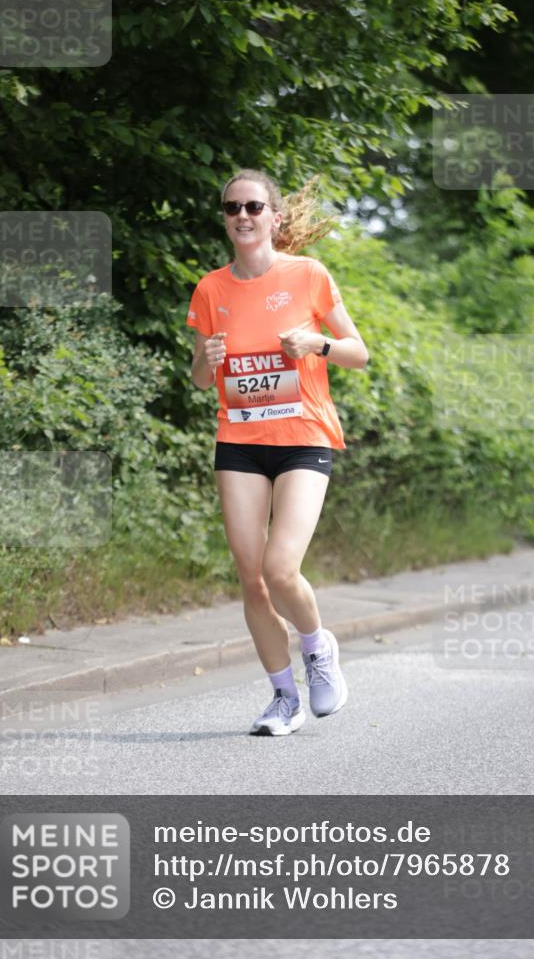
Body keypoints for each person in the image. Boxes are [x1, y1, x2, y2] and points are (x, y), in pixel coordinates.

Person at [187, 169, 369, 733]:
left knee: (280, 566)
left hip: (303, 437)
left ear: (275, 216)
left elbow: (359, 353)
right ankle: (283, 697)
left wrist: (318, 343)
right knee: (252, 578)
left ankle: (317, 649)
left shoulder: (308, 276)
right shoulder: (210, 289)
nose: (242, 216)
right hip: (239, 440)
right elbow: (197, 380)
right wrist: (207, 361)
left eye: (253, 207)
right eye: (232, 207)